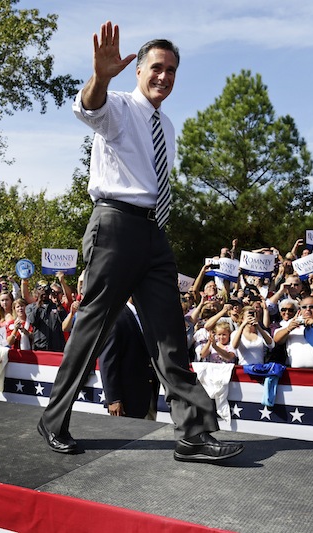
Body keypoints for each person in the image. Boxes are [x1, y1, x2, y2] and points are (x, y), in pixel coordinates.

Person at [37, 21, 242, 463]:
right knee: (92, 329)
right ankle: (54, 419)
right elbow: (89, 108)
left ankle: (191, 434)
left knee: (170, 334)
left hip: (154, 233)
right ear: (138, 70)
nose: (163, 76)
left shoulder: (166, 125)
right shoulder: (118, 106)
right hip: (114, 226)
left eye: (171, 70)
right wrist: (100, 77)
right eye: (156, 67)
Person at [98, 300, 160, 419]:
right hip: (127, 400)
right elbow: (107, 361)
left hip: (148, 396)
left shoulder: (149, 315)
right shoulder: (116, 317)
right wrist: (113, 399)